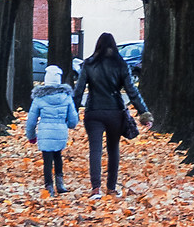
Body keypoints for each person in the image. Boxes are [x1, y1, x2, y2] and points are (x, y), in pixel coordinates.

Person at [74, 32, 151, 196]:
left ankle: (96, 188)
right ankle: (111, 188)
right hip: (115, 112)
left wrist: (72, 112)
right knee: (113, 149)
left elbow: (79, 91)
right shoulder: (121, 65)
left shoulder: (88, 64)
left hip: (93, 111)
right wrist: (143, 112)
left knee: (95, 150)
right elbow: (132, 91)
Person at [25, 62, 78, 195]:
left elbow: (31, 120)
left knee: (47, 160)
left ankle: (49, 186)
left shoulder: (39, 98)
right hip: (60, 131)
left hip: (45, 132)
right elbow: (73, 118)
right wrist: (70, 125)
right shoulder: (66, 97)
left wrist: (31, 136)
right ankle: (60, 184)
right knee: (58, 156)